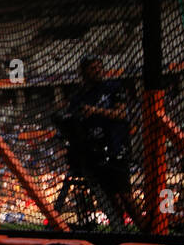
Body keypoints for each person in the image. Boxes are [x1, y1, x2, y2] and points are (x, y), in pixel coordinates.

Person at [54, 56, 135, 226]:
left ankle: (147, 234)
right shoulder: (79, 97)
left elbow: (122, 114)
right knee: (112, 200)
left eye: (99, 67)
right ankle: (121, 233)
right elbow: (71, 121)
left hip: (116, 147)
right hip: (95, 153)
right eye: (93, 68)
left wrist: (94, 111)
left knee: (127, 197)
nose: (98, 70)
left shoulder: (113, 88)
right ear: (84, 73)